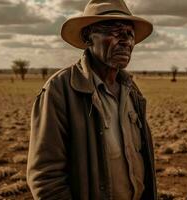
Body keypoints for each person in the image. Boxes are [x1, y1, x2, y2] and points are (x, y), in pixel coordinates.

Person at [26, 0, 157, 199]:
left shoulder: (132, 91)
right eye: (114, 32)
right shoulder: (60, 89)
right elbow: (46, 177)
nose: (125, 41)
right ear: (88, 38)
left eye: (129, 34)